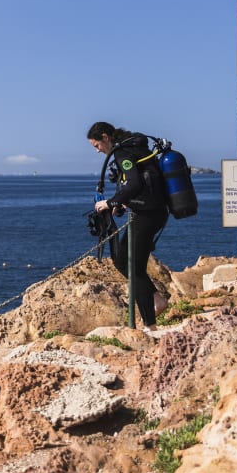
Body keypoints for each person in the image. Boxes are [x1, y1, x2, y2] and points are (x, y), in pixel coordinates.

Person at [87, 122, 169, 330]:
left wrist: (109, 202)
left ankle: (150, 321)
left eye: (97, 145)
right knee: (128, 263)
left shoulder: (123, 152)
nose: (98, 151)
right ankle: (155, 305)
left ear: (105, 137)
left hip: (148, 215)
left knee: (130, 265)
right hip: (153, 212)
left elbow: (134, 184)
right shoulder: (133, 147)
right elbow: (140, 183)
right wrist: (122, 203)